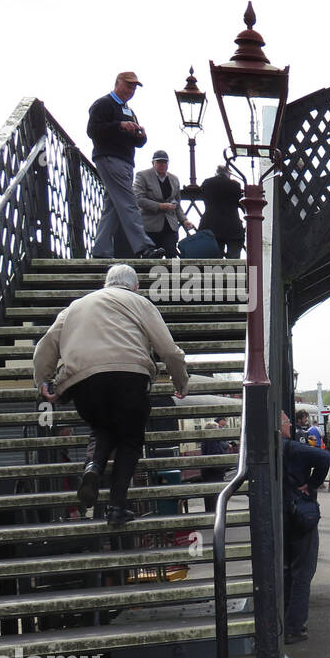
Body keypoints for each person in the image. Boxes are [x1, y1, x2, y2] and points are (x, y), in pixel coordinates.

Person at [32, 263, 189, 525]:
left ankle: (93, 468)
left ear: (106, 283)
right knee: (129, 439)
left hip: (83, 383)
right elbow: (170, 351)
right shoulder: (139, 303)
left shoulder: (74, 307)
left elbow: (44, 348)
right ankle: (116, 508)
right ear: (135, 286)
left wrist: (44, 381)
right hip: (129, 377)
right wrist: (180, 381)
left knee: (102, 428)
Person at [88, 72, 166, 259]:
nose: (131, 91)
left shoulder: (129, 111)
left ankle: (101, 250)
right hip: (110, 158)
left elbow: (138, 142)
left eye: (133, 88)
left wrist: (140, 135)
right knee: (128, 202)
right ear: (117, 83)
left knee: (114, 206)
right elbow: (92, 130)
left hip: (124, 161)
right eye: (128, 86)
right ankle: (143, 247)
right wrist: (120, 126)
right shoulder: (104, 104)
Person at [281, 411, 330, 643]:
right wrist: (311, 485)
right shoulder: (290, 447)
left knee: (287, 569)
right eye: (286, 421)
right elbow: (324, 458)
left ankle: (285, 620)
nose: (290, 424)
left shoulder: (262, 448)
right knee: (303, 572)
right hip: (299, 513)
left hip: (279, 516)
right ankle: (295, 626)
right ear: (280, 426)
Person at [133, 150, 194, 257]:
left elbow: (177, 205)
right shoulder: (142, 176)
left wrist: (184, 220)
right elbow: (139, 199)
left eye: (165, 162)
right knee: (150, 258)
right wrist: (160, 206)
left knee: (171, 254)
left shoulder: (174, 179)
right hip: (150, 226)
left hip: (170, 226)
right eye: (159, 162)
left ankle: (170, 274)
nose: (162, 165)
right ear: (153, 163)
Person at [198, 165, 245, 258]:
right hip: (232, 225)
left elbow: (203, 195)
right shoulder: (235, 185)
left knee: (215, 259)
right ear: (228, 173)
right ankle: (234, 271)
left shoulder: (207, 183)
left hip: (211, 225)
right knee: (234, 258)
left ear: (216, 172)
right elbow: (239, 202)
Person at [200, 419, 231, 514]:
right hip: (214, 472)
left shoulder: (208, 440)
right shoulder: (212, 441)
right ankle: (215, 513)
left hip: (209, 472)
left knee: (211, 495)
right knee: (215, 494)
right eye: (217, 428)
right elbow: (215, 455)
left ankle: (212, 511)